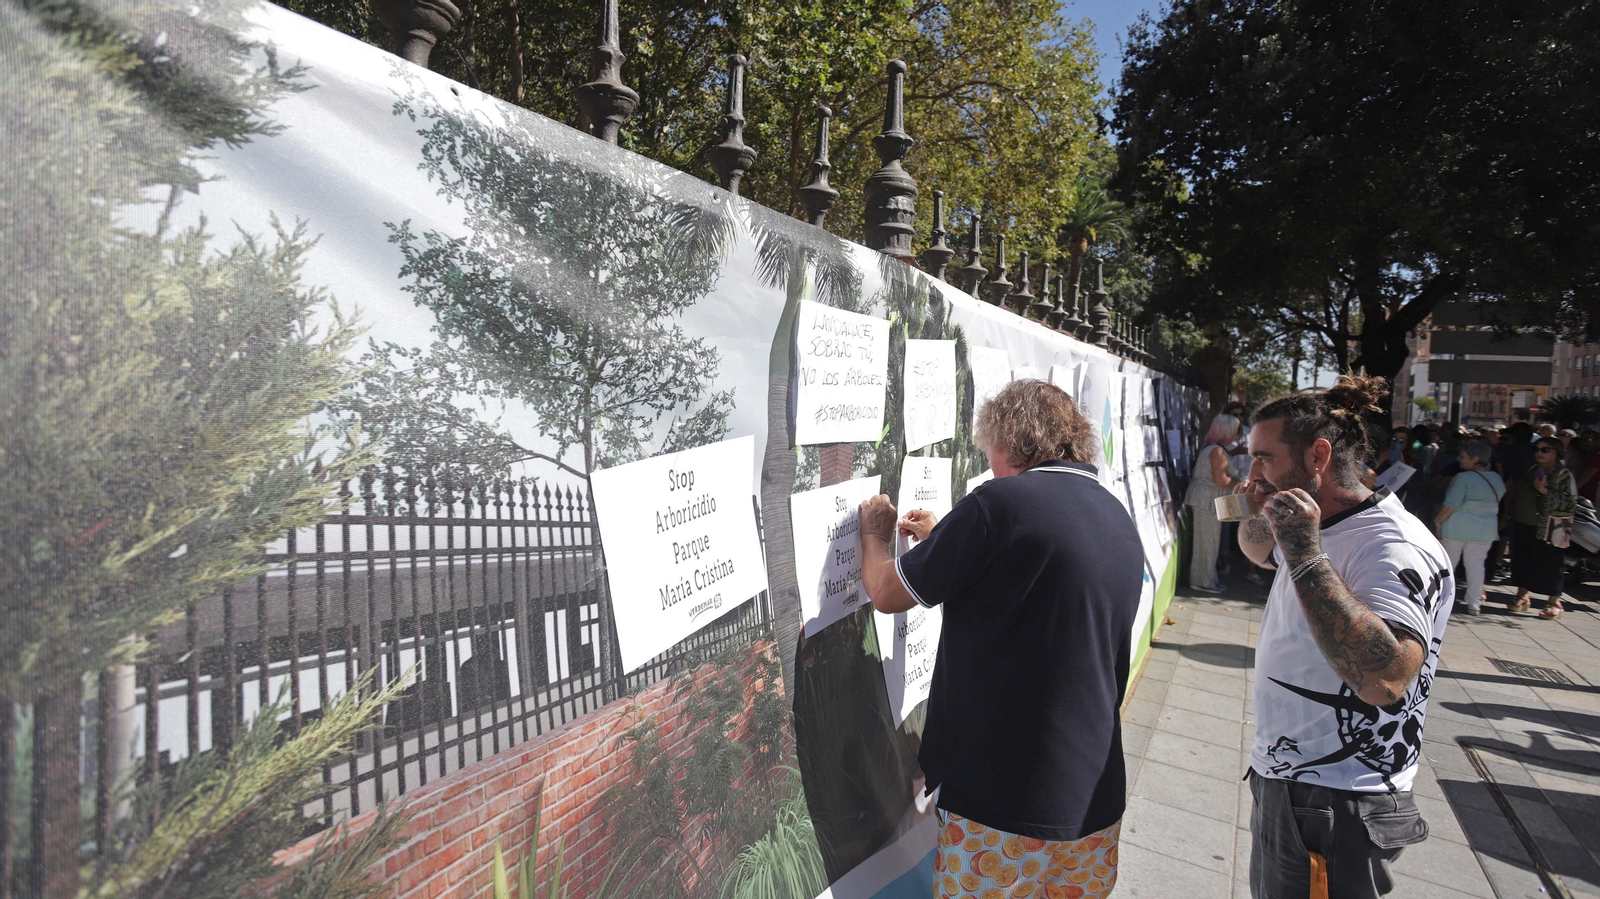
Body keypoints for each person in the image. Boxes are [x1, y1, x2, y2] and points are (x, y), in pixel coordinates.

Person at [857, 379, 1142, 899]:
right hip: (1092, 804)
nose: (988, 463)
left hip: (1003, 807)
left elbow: (885, 591)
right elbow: (1026, 597)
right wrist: (948, 541)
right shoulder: (1112, 513)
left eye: (988, 449)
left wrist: (876, 536)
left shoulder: (1000, 504)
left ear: (1007, 441)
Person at [1234, 373, 1451, 898]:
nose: (1252, 469)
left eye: (1263, 456)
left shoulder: (1390, 546)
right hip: (1295, 782)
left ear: (1317, 457)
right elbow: (1254, 550)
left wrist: (1307, 554)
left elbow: (1385, 678)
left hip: (1338, 799)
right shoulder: (1316, 518)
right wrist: (1262, 508)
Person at [1507, 436, 1578, 618]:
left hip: (1551, 527)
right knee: (1523, 560)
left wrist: (1544, 491)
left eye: (1545, 450)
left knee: (1551, 564)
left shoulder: (1563, 475)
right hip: (1524, 522)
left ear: (1557, 452)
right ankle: (1522, 596)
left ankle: (1554, 602)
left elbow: (1569, 501)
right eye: (1537, 449)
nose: (1539, 453)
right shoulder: (1533, 470)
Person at [1435, 441, 1504, 616]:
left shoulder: (1463, 478)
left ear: (1475, 459)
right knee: (1476, 565)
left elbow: (1451, 504)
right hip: (1485, 530)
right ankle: (1474, 603)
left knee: (1447, 565)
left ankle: (1441, 601)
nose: (1459, 459)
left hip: (1457, 527)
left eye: (1463, 456)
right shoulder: (1497, 478)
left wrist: (1438, 521)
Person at [1186, 413, 1244, 593]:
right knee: (1207, 543)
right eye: (1237, 429)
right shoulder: (1217, 450)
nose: (1240, 433)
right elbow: (1222, 480)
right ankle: (1202, 581)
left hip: (1210, 499)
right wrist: (1243, 486)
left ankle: (1207, 578)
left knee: (1210, 542)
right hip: (1208, 500)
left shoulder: (1217, 448)